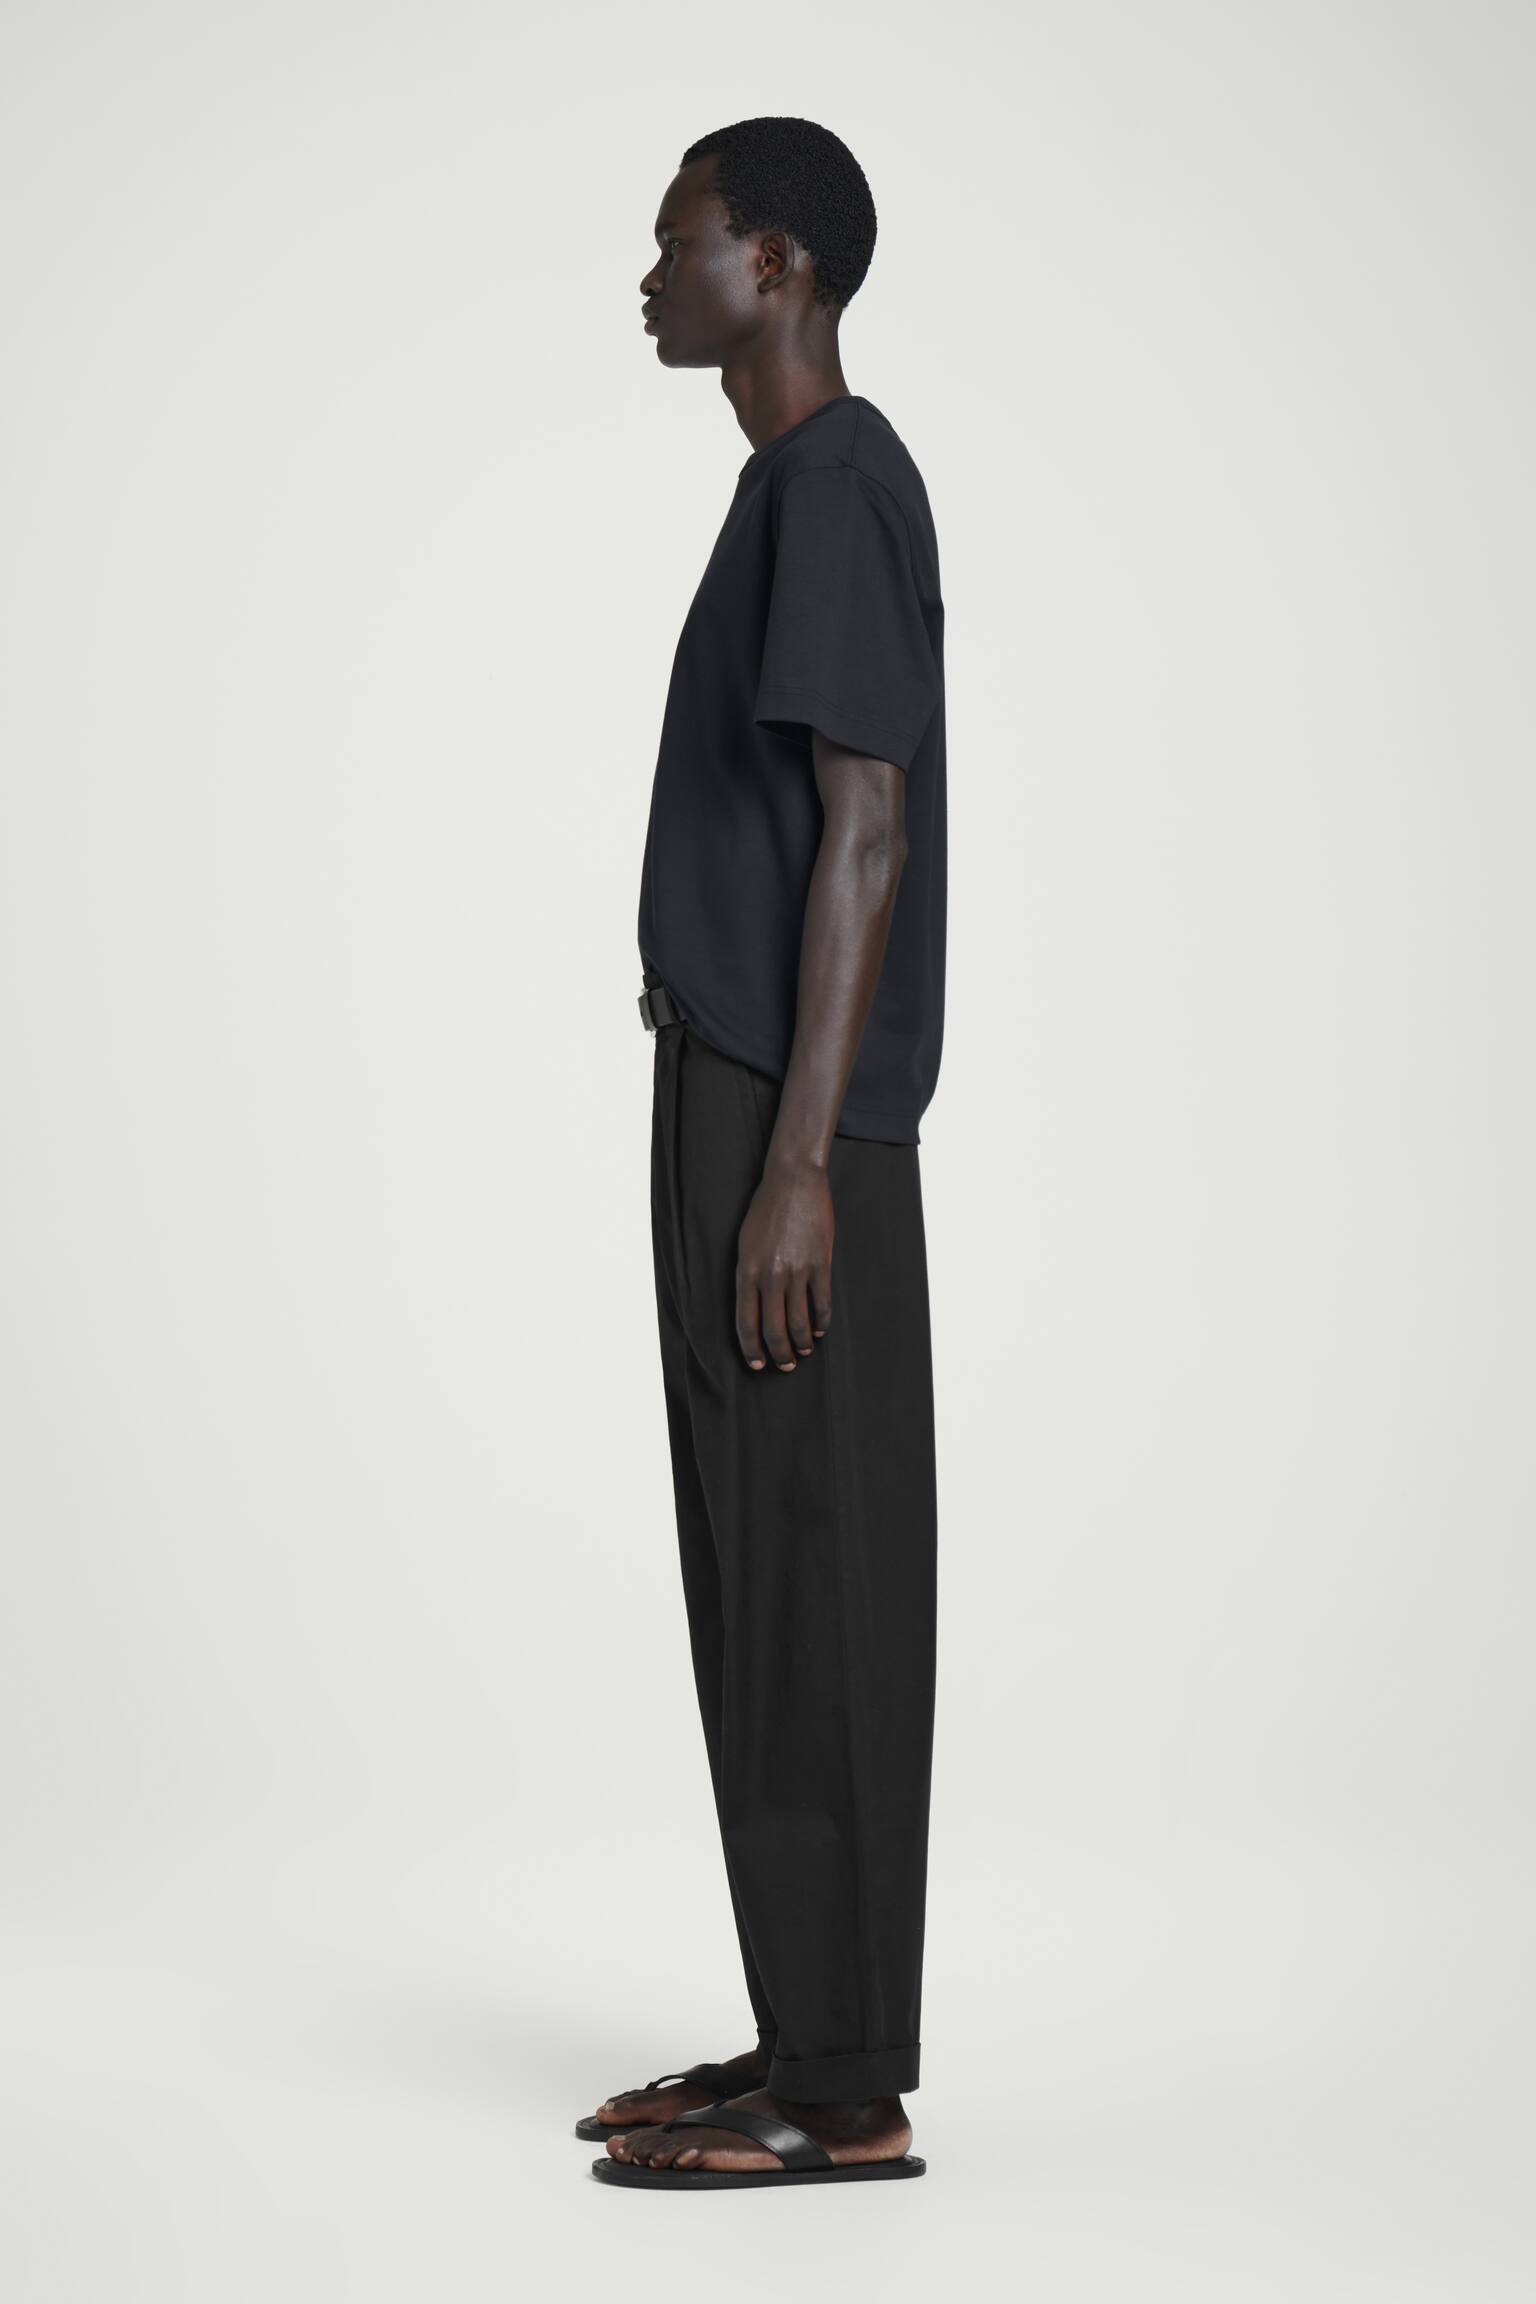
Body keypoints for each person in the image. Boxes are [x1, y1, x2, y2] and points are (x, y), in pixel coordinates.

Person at [588, 115, 946, 2191]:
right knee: (759, 1575)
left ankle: (847, 2095)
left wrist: (797, 1161)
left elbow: (866, 827)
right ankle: (808, 2031)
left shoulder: (838, 483)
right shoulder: (788, 489)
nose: (655, 275)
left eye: (684, 240)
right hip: (737, 1081)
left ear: (779, 264)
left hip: (787, 1112)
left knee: (817, 1577)